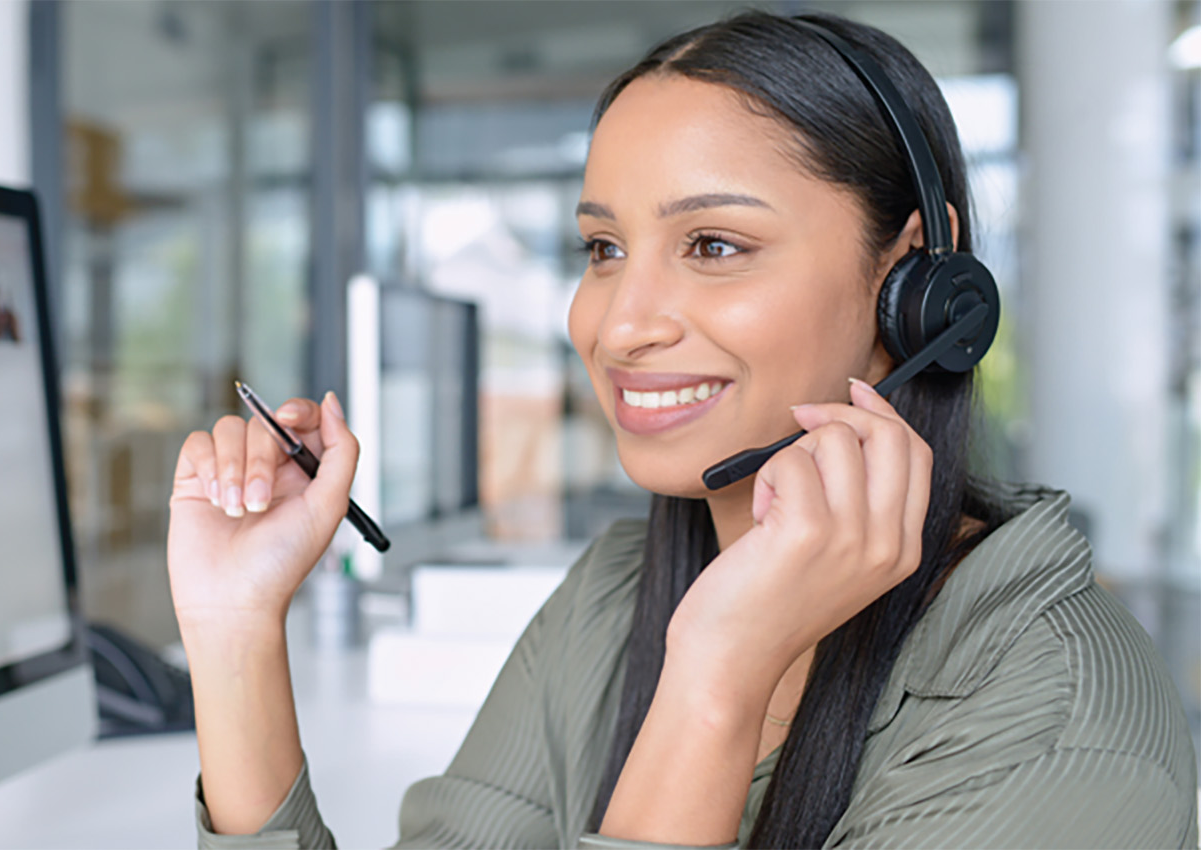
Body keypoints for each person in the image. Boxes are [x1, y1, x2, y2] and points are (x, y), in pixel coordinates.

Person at [168, 10, 1198, 849]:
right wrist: (233, 635)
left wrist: (715, 676)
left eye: (713, 243)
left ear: (920, 285)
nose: (618, 323)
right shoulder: (614, 600)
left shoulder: (1060, 728)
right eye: (603, 247)